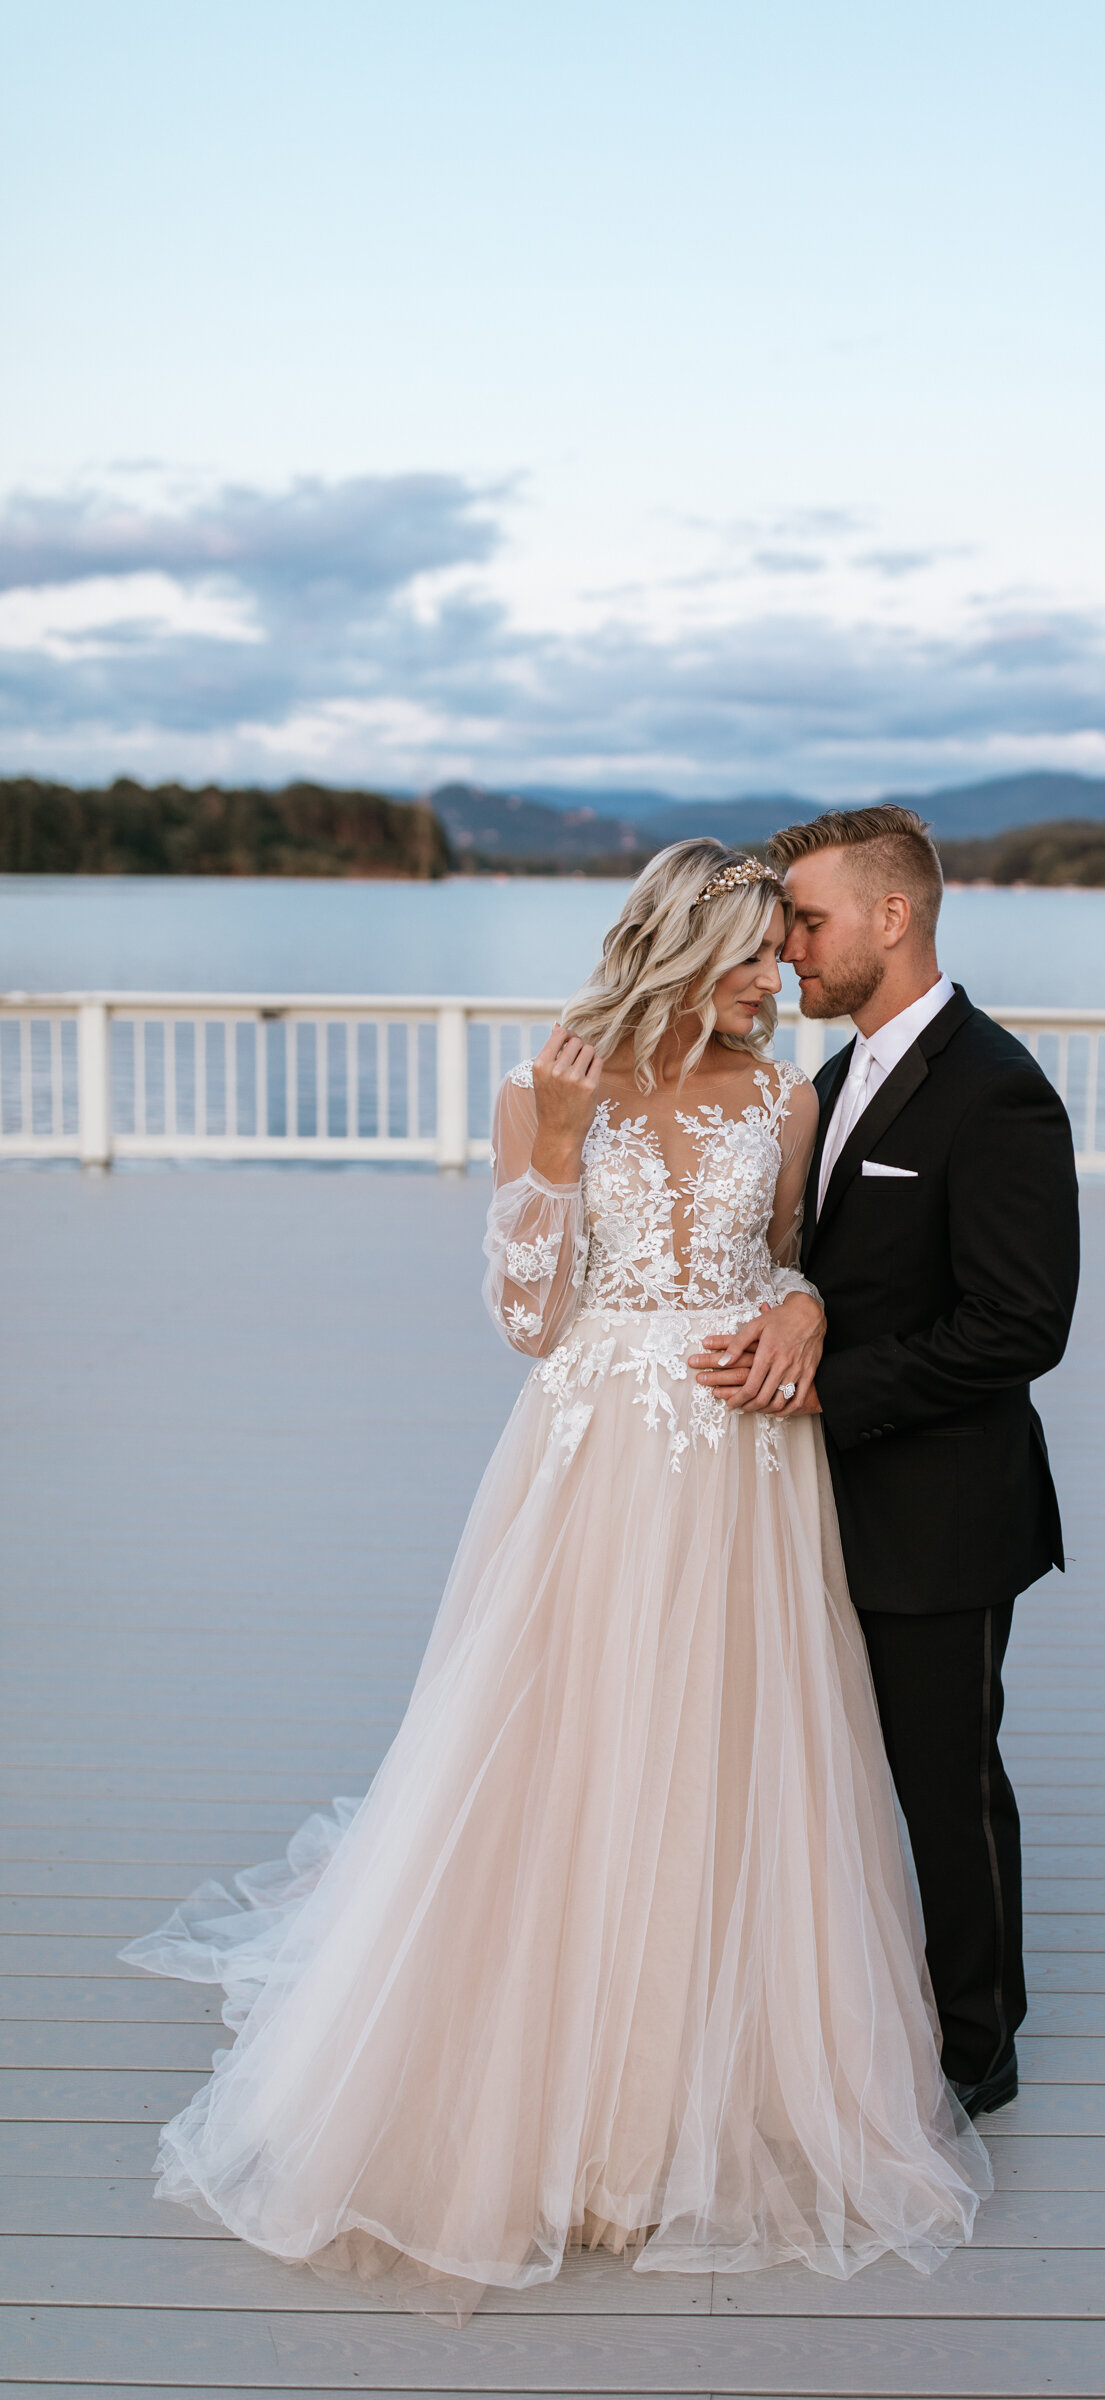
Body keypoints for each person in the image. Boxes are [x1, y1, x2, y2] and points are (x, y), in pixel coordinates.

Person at [119, 839, 990, 2319]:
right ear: (675, 948)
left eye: (781, 951)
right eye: (746, 955)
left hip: (742, 1463)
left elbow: (782, 1260)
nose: (773, 976)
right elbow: (527, 1319)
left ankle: (696, 2088)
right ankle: (550, 2090)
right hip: (592, 1451)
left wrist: (807, 1314)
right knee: (567, 1734)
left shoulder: (786, 1098)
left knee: (724, 1746)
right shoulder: (548, 1087)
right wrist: (564, 1149)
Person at [692, 806, 1079, 2117]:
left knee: (944, 1780)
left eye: (807, 919)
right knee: (816, 1767)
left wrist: (824, 1385)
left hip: (938, 1512)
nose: (787, 945)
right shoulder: (829, 1078)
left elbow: (1023, 1326)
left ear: (893, 917)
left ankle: (978, 2049)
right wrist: (795, 1305)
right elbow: (822, 1259)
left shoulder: (997, 1089)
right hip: (802, 1504)